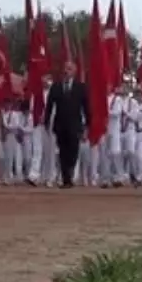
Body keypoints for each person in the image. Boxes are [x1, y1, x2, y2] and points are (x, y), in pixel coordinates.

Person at [44, 61, 91, 189]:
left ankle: (69, 170)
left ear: (74, 71)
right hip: (60, 125)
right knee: (63, 151)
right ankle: (66, 179)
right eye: (65, 68)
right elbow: (49, 106)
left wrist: (87, 125)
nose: (66, 71)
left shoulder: (80, 87)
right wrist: (46, 121)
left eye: (69, 69)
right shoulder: (56, 86)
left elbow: (86, 108)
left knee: (73, 151)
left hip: (75, 125)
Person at [102, 85, 131, 188]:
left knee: (115, 153)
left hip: (114, 130)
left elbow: (117, 113)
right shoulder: (102, 98)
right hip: (105, 129)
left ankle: (119, 177)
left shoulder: (117, 99)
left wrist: (106, 113)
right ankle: (106, 178)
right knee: (105, 154)